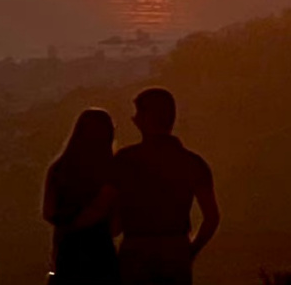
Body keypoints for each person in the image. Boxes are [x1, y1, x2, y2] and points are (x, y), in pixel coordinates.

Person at [110, 88, 220, 285]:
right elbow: (211, 217)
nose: (133, 119)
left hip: (135, 250)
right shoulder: (193, 163)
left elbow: (113, 215)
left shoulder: (125, 160)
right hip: (175, 251)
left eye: (138, 114)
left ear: (146, 119)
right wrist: (190, 250)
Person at [43, 108, 122, 285]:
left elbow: (48, 212)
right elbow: (116, 227)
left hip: (66, 254)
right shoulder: (111, 173)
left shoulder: (58, 169)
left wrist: (68, 224)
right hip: (100, 256)